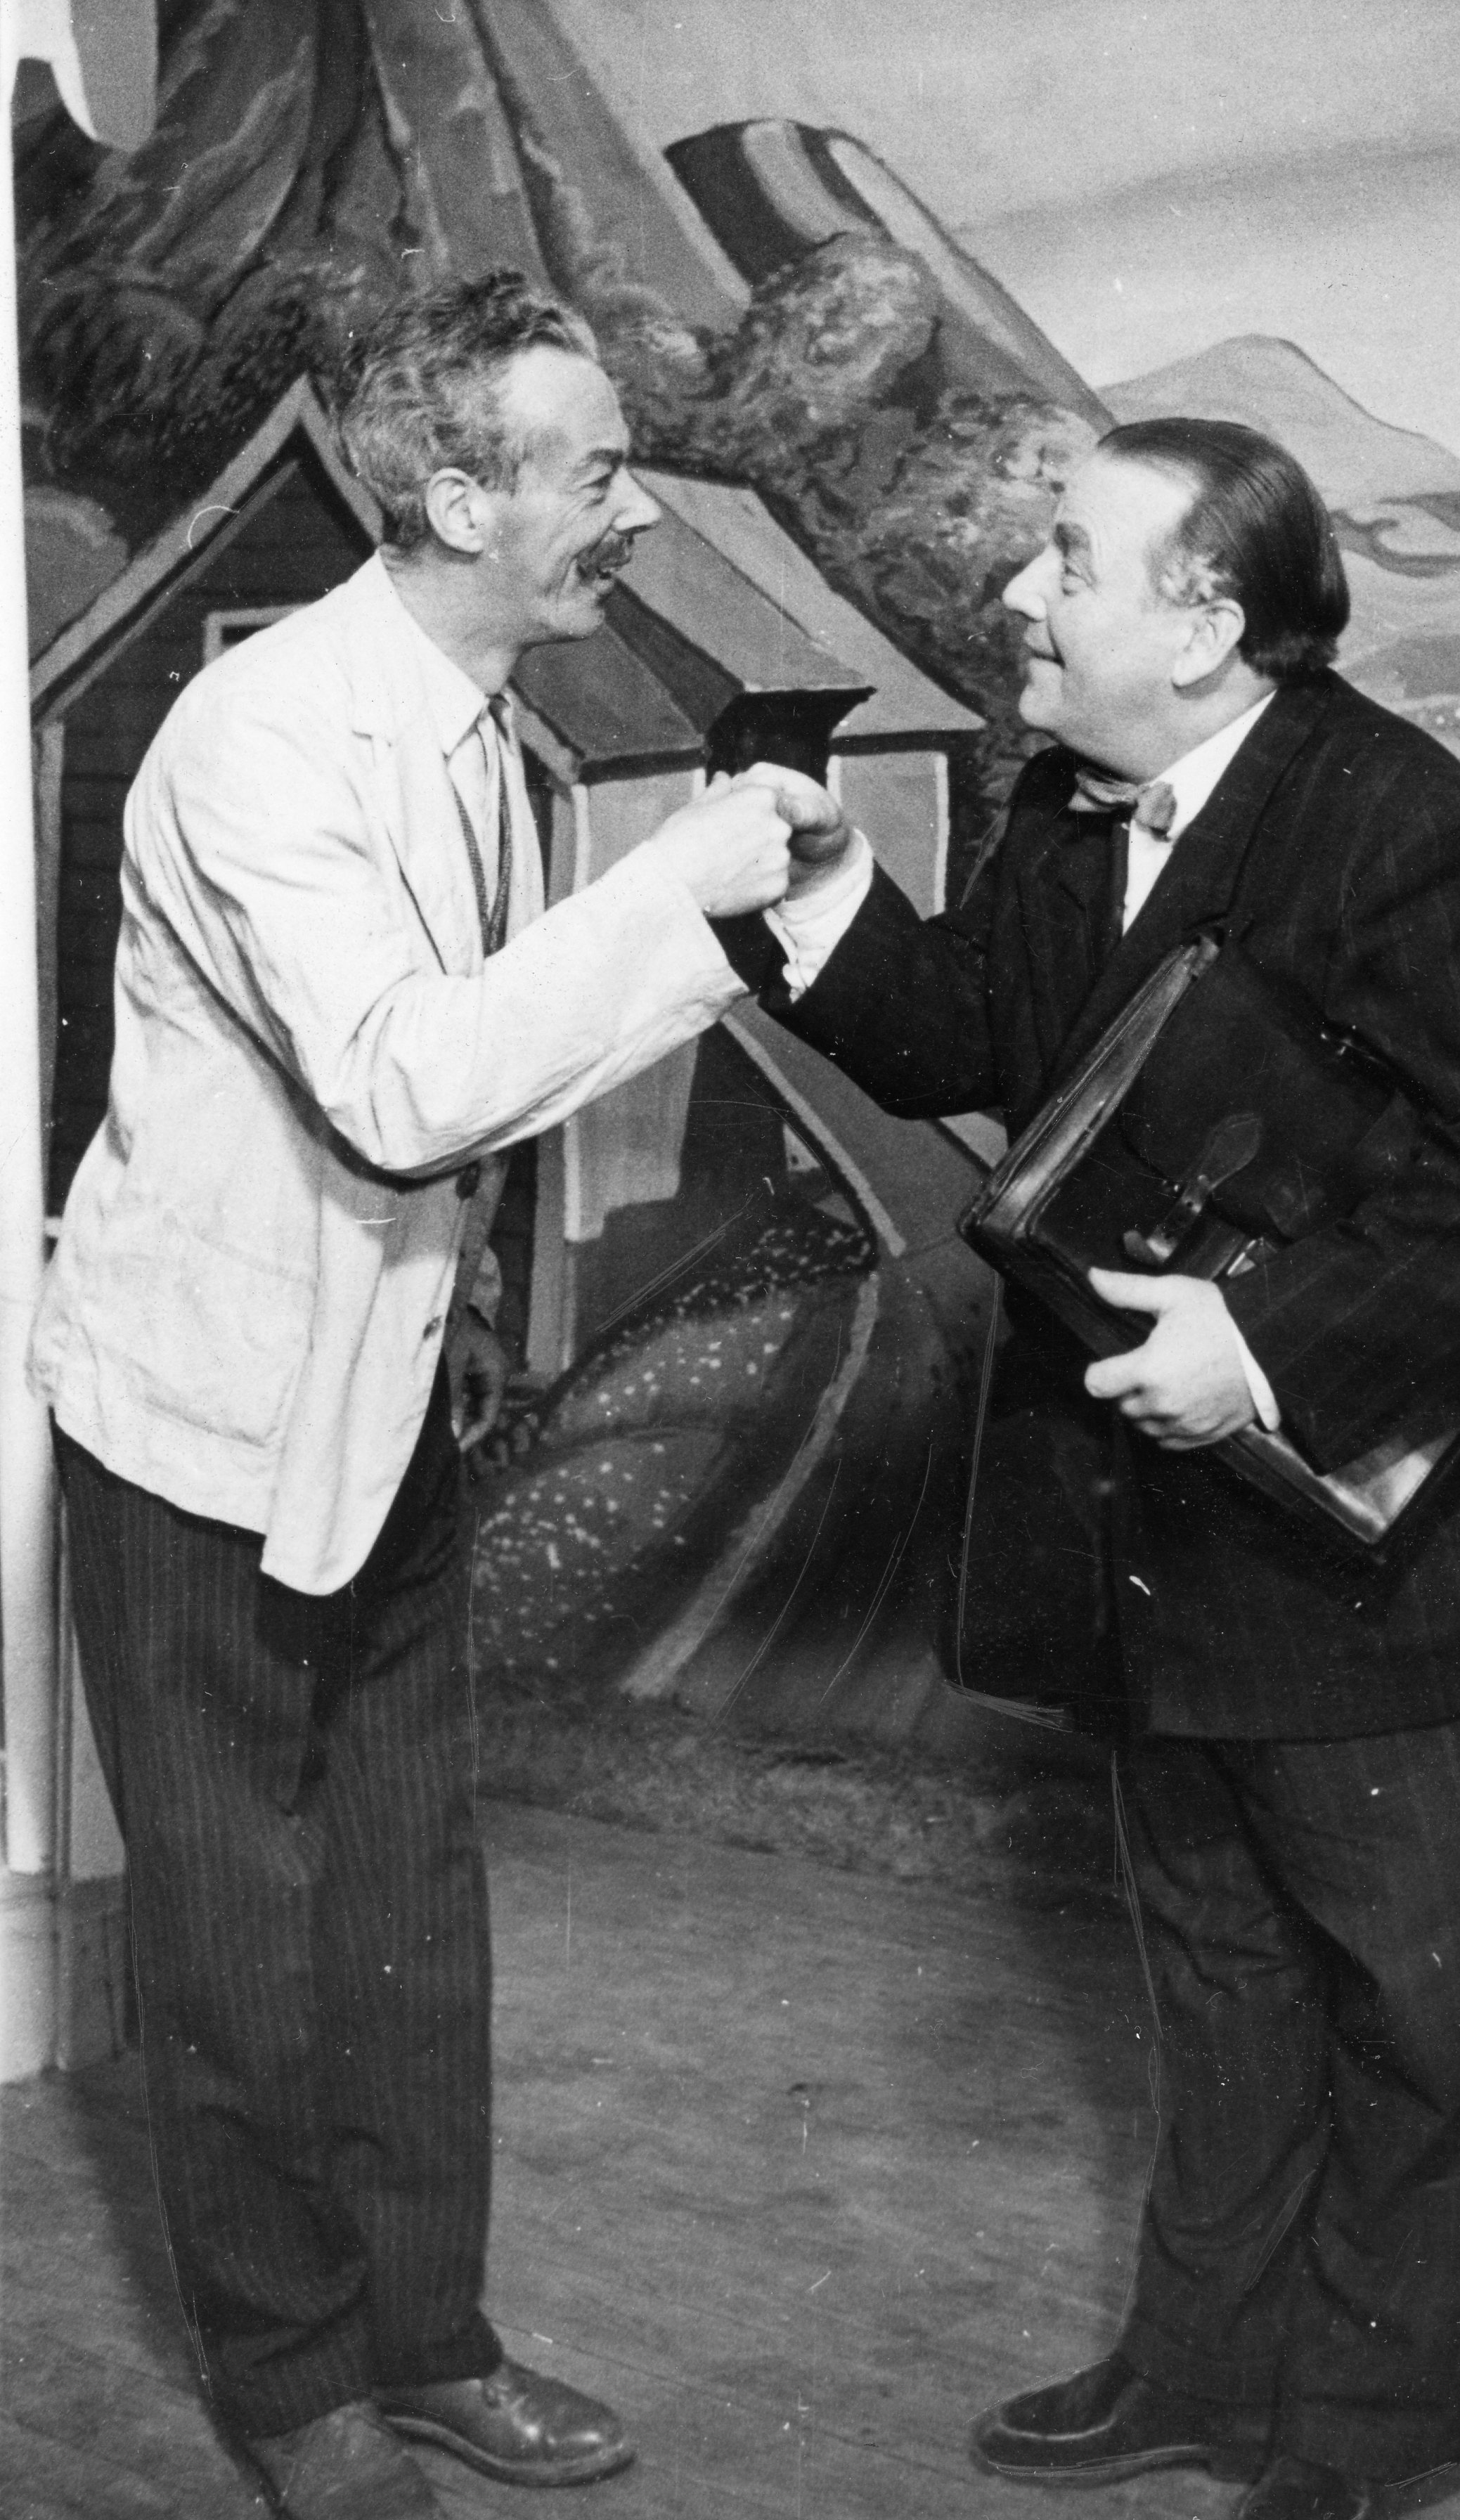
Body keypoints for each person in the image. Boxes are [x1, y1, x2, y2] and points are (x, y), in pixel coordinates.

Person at [737, 419, 1460, 2520]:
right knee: (1224, 1965)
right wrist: (820, 890)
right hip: (1195, 1537)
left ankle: (1366, 2434)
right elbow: (986, 1035)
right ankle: (1201, 2370)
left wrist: (1263, 1352)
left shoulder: (1408, 832)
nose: (1017, 594)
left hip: (1447, 1545)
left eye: (1064, 561)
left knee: (1425, 2006)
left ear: (1202, 623)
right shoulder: (1075, 798)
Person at [30, 270, 809, 2520]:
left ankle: (426, 2339)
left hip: (380, 1410)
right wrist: (681, 891)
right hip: (199, 1426)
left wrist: (693, 916)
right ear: (460, 500)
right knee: (240, 1928)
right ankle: (295, 2385)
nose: (633, 514)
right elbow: (398, 1091)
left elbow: (493, 1064)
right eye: (594, 471)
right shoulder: (264, 734)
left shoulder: (466, 715)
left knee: (402, 1894)